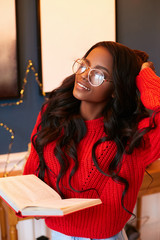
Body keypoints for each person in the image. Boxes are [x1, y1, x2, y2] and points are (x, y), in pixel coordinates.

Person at [23, 41, 160, 240]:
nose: (85, 75)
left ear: (116, 88)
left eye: (99, 74)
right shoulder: (52, 114)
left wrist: (145, 74)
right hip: (58, 234)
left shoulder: (133, 135)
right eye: (84, 65)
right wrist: (29, 205)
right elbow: (32, 173)